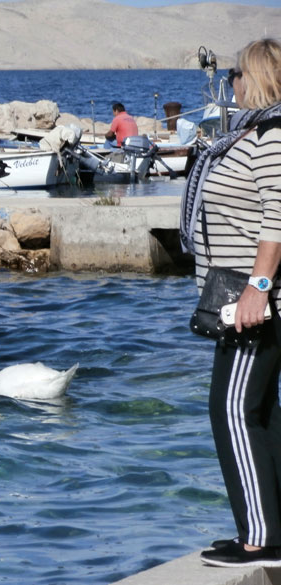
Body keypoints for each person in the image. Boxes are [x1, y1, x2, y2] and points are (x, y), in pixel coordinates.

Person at [179, 38, 281, 568]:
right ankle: (271, 529)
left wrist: (257, 290)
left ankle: (259, 539)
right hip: (240, 292)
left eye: (236, 73)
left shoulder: (272, 136)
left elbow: (278, 219)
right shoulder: (250, 132)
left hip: (254, 297)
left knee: (232, 409)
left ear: (257, 77)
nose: (230, 82)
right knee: (260, 412)